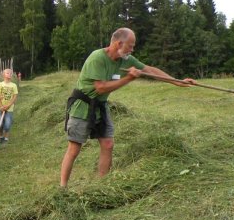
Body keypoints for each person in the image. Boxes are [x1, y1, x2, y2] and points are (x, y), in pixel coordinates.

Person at [59, 27, 194, 187]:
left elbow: (149, 70)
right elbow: (100, 88)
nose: (132, 49)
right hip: (82, 105)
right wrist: (129, 78)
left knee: (108, 144)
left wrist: (178, 82)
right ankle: (63, 187)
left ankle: (102, 186)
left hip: (100, 106)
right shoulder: (97, 58)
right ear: (119, 43)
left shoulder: (126, 59)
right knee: (74, 148)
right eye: (130, 45)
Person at [0, 68, 19, 143]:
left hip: (9, 109)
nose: (10, 74)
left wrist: (8, 105)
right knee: (0, 124)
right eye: (8, 73)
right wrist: (1, 106)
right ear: (3, 75)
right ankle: (1, 136)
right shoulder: (0, 84)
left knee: (7, 125)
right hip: (0, 108)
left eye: (11, 73)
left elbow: (15, 96)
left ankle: (6, 137)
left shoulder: (14, 85)